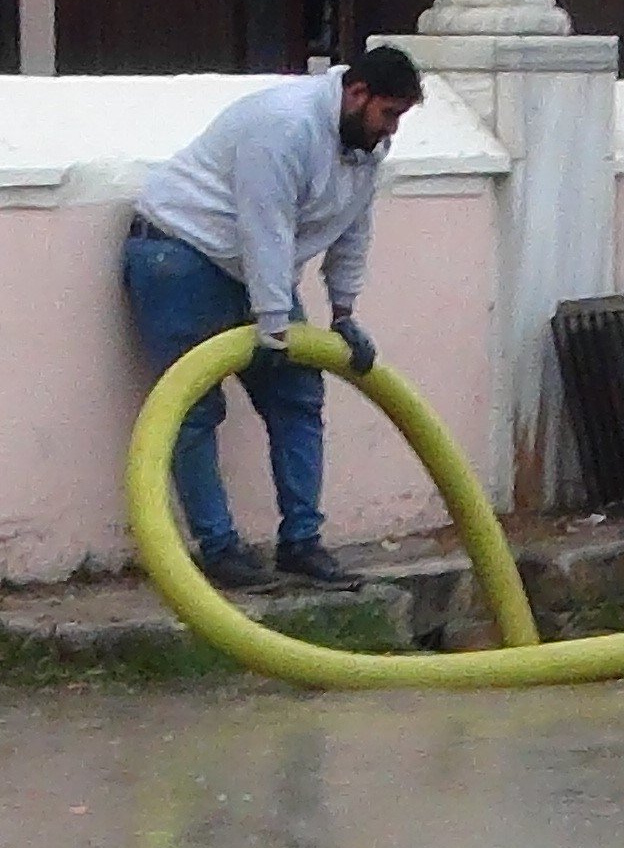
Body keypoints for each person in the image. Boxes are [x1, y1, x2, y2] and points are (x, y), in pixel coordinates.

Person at [124, 50, 421, 593]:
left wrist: (344, 312)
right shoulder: (284, 126)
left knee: (298, 398)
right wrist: (273, 320)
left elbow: (353, 227)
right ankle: (219, 551)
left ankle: (302, 543)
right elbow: (265, 224)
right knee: (194, 408)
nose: (390, 130)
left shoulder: (363, 145)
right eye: (387, 114)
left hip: (253, 271)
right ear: (357, 95)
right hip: (181, 255)